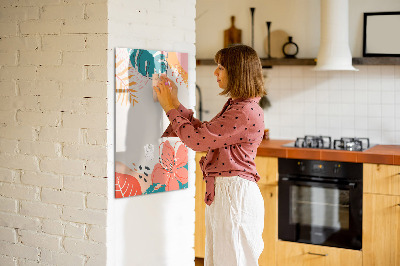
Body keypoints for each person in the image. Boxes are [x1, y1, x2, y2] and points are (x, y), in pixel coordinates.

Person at [153, 44, 266, 266]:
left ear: (237, 72)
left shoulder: (243, 111)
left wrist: (169, 108)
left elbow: (197, 141)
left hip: (234, 195)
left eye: (221, 67)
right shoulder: (239, 106)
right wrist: (175, 104)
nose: (215, 72)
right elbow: (205, 134)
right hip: (228, 193)